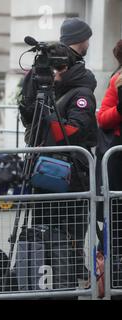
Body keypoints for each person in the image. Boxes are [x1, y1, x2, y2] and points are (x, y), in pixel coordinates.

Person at [20, 42, 98, 289]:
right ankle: (41, 280)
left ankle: (67, 283)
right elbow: (31, 121)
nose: (55, 72)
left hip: (70, 177)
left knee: (66, 236)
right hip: (44, 174)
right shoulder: (51, 88)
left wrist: (48, 114)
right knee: (43, 231)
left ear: (70, 67)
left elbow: (74, 130)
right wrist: (30, 101)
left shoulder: (82, 93)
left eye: (59, 67)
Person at [96, 39, 122, 287]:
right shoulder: (118, 80)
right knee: (116, 221)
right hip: (118, 164)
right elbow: (103, 119)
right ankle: (113, 276)